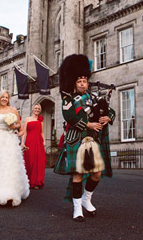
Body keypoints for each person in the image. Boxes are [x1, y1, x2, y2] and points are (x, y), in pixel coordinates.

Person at [54, 54, 115, 222]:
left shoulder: (94, 98)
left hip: (92, 141)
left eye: (85, 81)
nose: (82, 84)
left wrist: (107, 118)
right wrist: (89, 125)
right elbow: (69, 116)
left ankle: (87, 199)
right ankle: (77, 208)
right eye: (79, 81)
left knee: (96, 175)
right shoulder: (68, 99)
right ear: (74, 82)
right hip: (76, 140)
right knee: (78, 175)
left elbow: (109, 111)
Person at [21, 103, 46, 189]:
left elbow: (42, 132)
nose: (37, 110)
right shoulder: (27, 119)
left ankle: (36, 182)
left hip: (38, 141)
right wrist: (22, 142)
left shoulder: (41, 120)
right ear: (32, 109)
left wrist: (44, 141)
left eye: (38, 109)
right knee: (29, 160)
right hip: (29, 141)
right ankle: (28, 181)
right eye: (36, 108)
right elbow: (24, 132)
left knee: (38, 162)